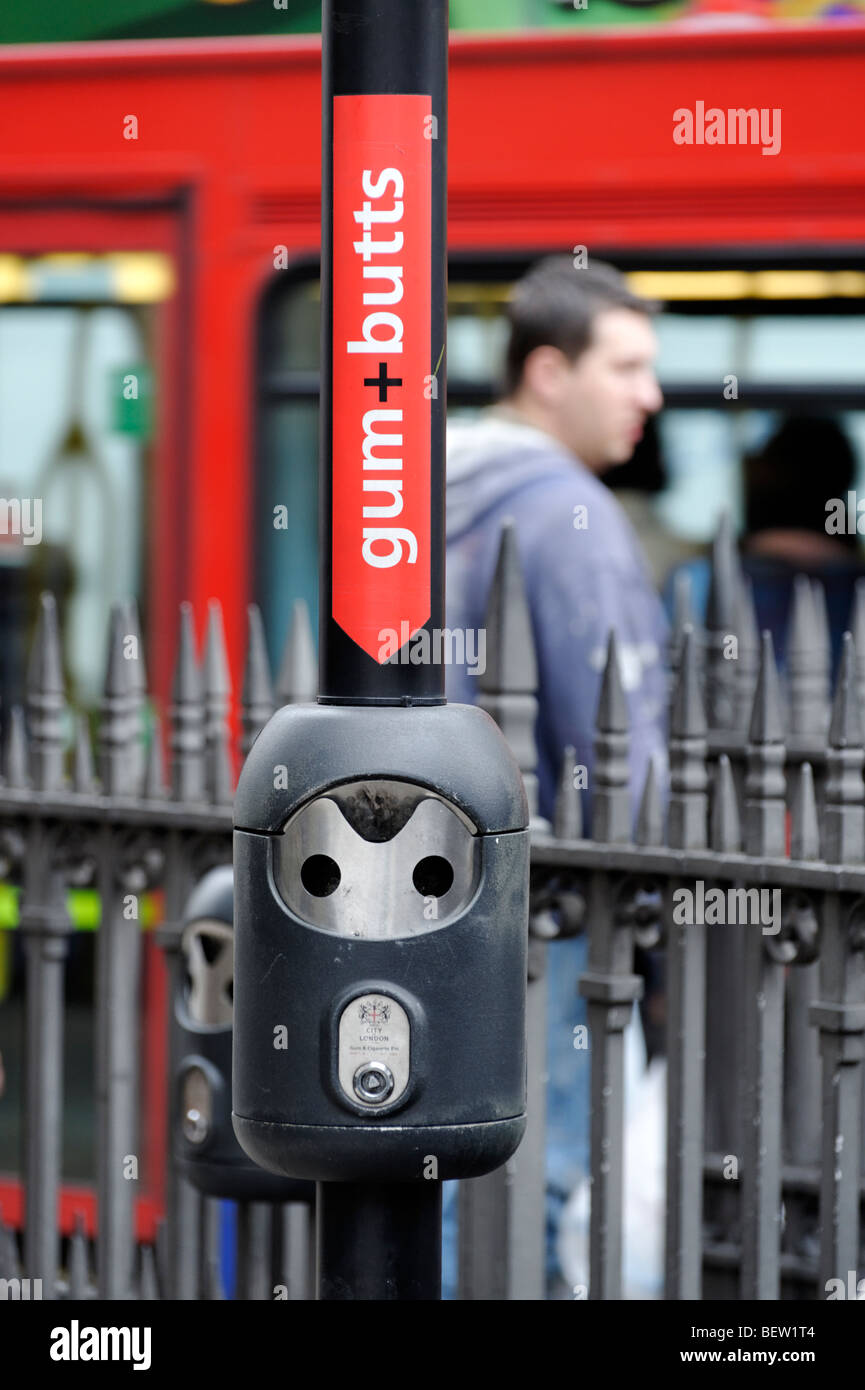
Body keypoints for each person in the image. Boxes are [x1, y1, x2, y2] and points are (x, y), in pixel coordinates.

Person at [443, 255, 670, 1296]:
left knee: (437, 1167)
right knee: (531, 1181)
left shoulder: (423, 489)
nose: (649, 396)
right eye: (624, 367)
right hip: (550, 910)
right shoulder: (568, 516)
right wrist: (664, 918)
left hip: (437, 889)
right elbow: (622, 753)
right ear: (547, 371)